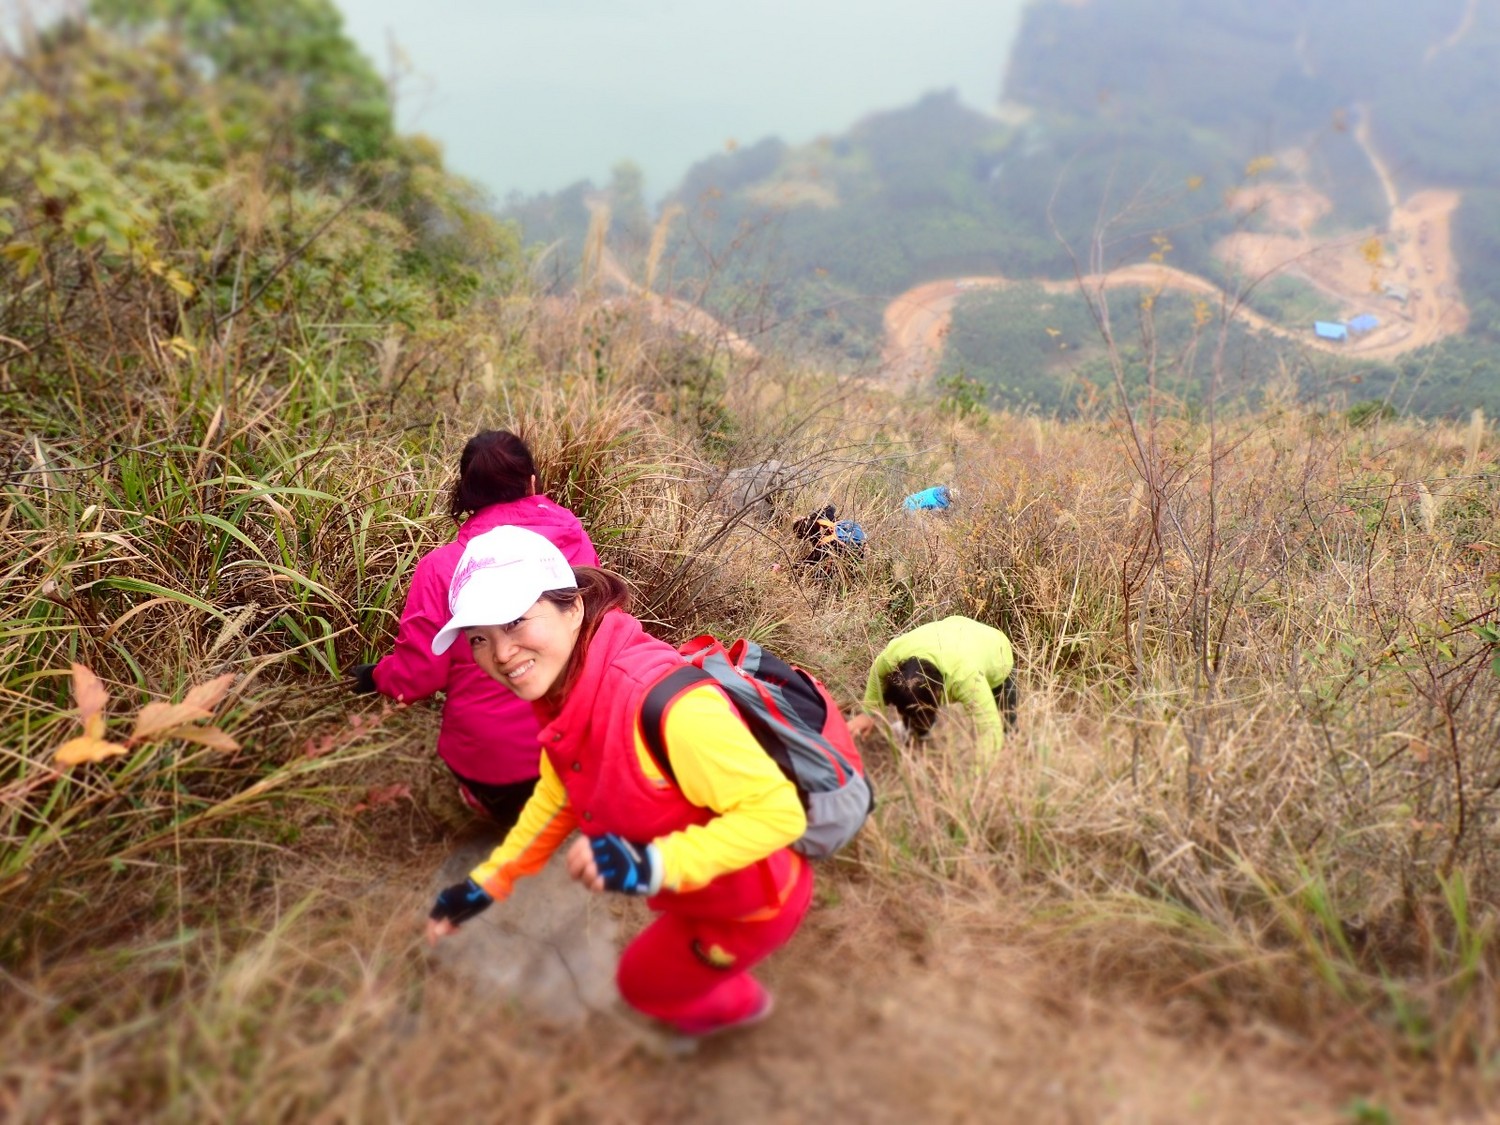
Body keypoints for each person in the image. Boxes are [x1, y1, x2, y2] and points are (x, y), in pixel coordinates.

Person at [424, 526, 812, 1038]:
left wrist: (652, 864)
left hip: (754, 902)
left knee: (645, 986)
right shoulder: (573, 694)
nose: (499, 654)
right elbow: (556, 797)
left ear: (574, 608)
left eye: (516, 621)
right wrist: (487, 883)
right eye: (479, 638)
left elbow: (779, 812)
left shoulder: (667, 707)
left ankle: (742, 1011)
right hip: (697, 891)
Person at [350, 430, 599, 828]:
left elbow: (417, 677)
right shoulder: (573, 541)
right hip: (580, 747)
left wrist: (376, 675)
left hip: (495, 768)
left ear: (466, 493)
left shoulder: (442, 567)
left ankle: (493, 810)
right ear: (532, 483)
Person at [848, 616, 1017, 759]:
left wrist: (981, 777)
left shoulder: (966, 678)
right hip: (953, 631)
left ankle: (1010, 741)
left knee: (1004, 725)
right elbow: (877, 674)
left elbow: (988, 728)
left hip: (994, 649)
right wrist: (868, 713)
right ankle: (917, 736)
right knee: (914, 703)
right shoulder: (892, 656)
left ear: (939, 693)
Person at [790, 503, 867, 577]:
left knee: (824, 574)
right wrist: (810, 516)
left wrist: (794, 566)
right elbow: (831, 507)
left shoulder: (826, 543)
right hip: (859, 540)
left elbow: (811, 559)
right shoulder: (822, 517)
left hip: (854, 549)